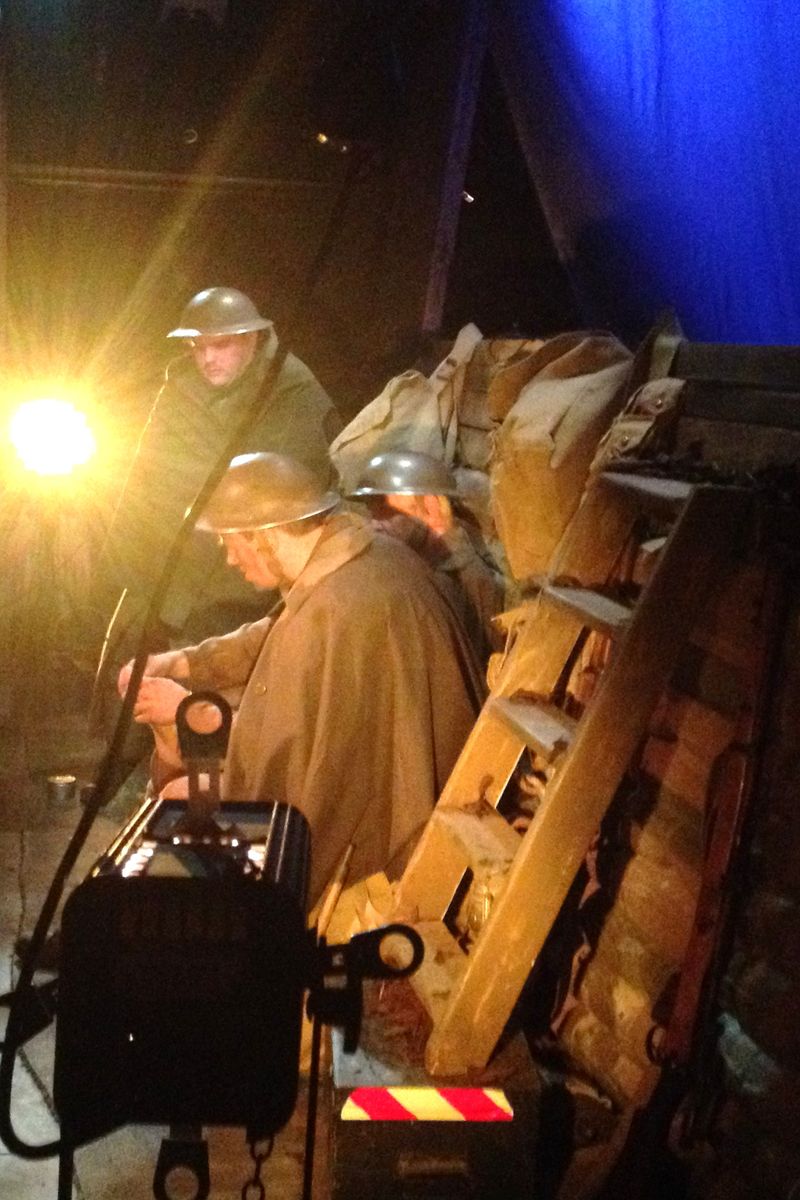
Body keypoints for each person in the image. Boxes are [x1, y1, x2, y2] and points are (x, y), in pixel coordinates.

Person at [119, 451, 485, 910]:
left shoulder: (335, 610)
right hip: (406, 790)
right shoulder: (361, 555)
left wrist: (190, 716)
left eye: (231, 542)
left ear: (265, 534)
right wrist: (183, 663)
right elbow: (275, 632)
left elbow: (292, 770)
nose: (229, 558)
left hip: (386, 840)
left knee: (174, 810)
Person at [103, 286, 342, 640]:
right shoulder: (181, 390)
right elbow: (144, 478)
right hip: (171, 578)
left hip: (251, 590)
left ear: (252, 338)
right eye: (198, 347)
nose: (207, 358)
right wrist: (123, 567)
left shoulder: (291, 390)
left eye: (221, 345)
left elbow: (303, 496)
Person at [347, 449, 505, 667]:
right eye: (371, 510)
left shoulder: (469, 581)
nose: (374, 523)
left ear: (431, 507)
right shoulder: (413, 568)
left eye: (385, 510)